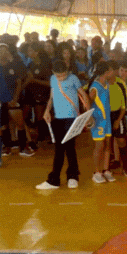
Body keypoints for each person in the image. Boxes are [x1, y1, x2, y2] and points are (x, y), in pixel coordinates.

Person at [36, 60, 90, 189]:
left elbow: (84, 95)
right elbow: (52, 97)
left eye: (64, 75)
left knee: (66, 147)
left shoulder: (73, 78)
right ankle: (69, 176)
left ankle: (59, 178)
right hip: (58, 118)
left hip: (72, 118)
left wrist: (87, 114)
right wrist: (47, 110)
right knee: (62, 148)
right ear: (54, 73)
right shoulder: (53, 79)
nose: (61, 78)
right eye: (59, 75)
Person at [88, 61, 115, 184]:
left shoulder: (106, 84)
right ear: (105, 72)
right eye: (110, 70)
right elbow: (88, 102)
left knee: (108, 145)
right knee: (99, 146)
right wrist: (89, 117)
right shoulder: (95, 86)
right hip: (98, 120)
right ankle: (96, 172)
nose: (113, 72)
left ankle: (106, 170)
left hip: (107, 120)